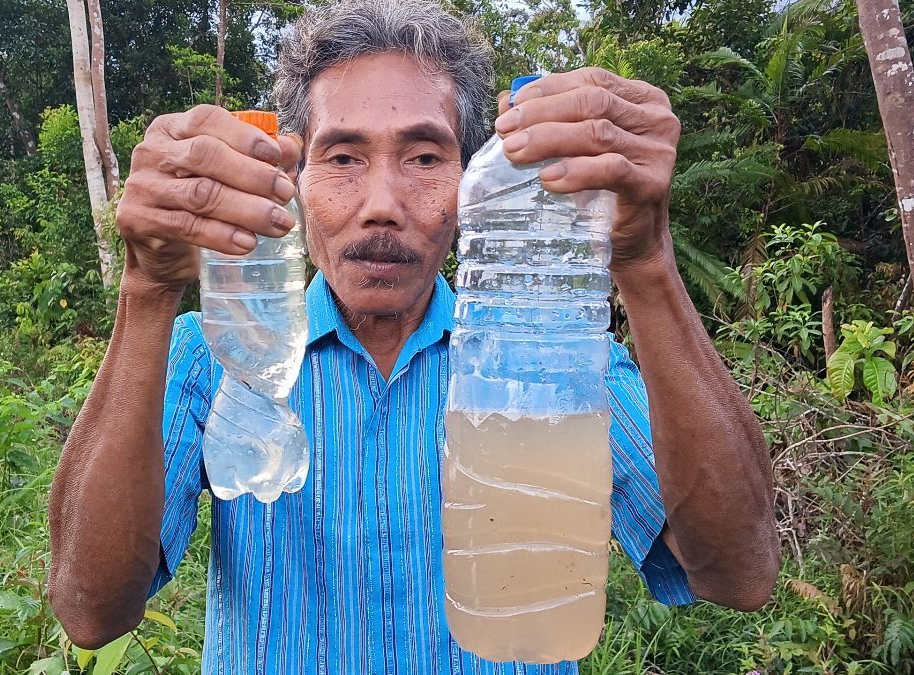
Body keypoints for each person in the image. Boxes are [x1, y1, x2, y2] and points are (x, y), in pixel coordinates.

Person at [48, 0, 780, 672]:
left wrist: (646, 260)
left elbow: (736, 571)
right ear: (293, 179)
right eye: (342, 158)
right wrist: (146, 290)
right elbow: (91, 609)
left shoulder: (548, 359)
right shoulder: (217, 354)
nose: (382, 205)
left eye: (425, 157)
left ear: (473, 182)